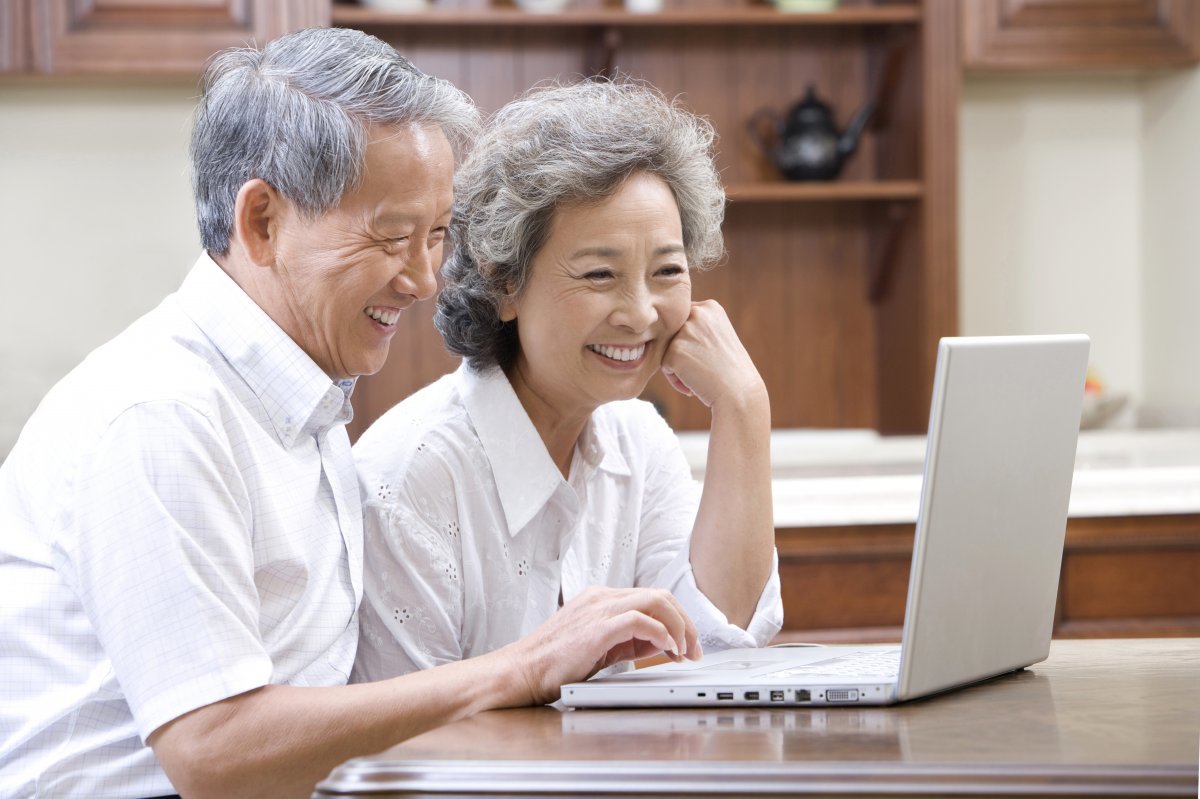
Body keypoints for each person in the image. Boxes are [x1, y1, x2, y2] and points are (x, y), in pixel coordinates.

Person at [0, 30, 702, 799]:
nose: (426, 278)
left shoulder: (300, 401)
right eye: (395, 236)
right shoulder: (162, 415)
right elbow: (214, 754)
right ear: (263, 221)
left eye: (437, 238)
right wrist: (521, 665)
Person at [352, 79, 783, 684]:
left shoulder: (639, 441)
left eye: (667, 271)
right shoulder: (410, 477)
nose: (639, 313)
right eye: (600, 274)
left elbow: (724, 639)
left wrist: (743, 404)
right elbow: (407, 736)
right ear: (504, 284)